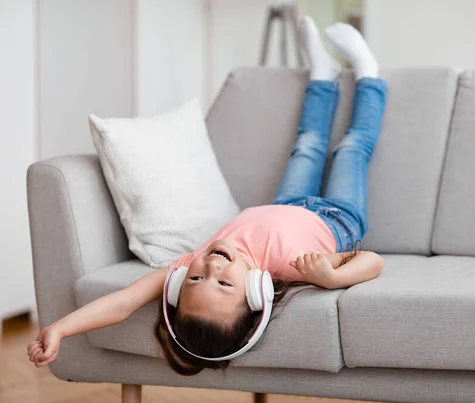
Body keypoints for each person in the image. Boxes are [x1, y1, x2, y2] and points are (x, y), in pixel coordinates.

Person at [27, 17, 387, 376]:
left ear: (179, 284)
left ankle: (321, 76)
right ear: (255, 293)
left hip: (287, 203)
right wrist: (331, 277)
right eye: (225, 283)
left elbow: (124, 302)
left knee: (308, 143)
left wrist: (60, 328)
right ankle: (369, 75)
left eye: (196, 280)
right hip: (338, 218)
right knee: (352, 148)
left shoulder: (191, 260)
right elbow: (372, 260)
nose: (211, 268)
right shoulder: (287, 265)